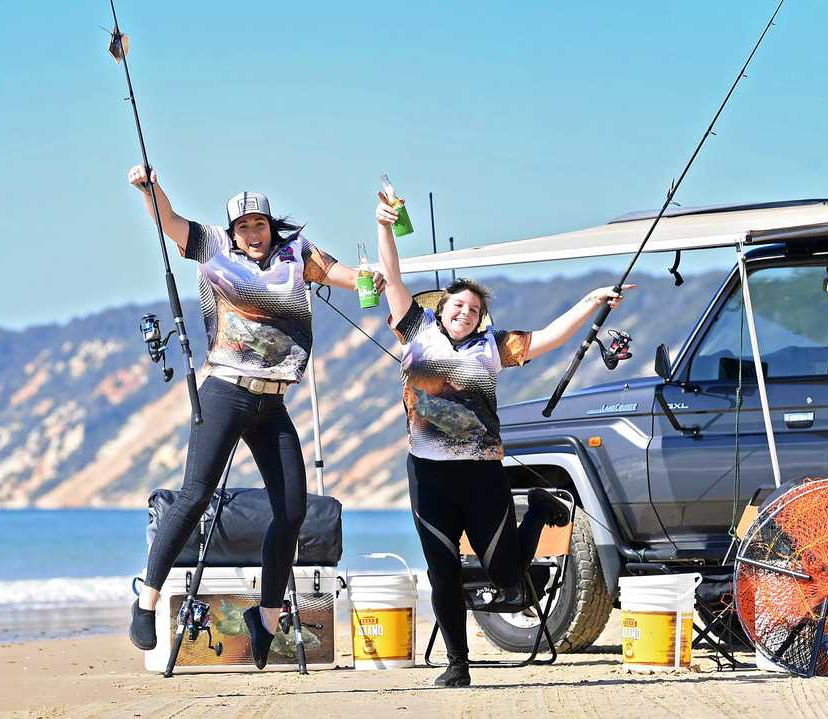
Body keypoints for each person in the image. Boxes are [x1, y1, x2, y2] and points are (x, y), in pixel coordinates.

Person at [126, 165, 384, 668]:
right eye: (243, 227)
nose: (252, 234)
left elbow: (345, 277)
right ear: (233, 231)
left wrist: (371, 275)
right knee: (195, 494)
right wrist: (148, 188)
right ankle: (147, 599)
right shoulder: (212, 247)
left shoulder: (297, 255)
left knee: (292, 510)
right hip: (224, 389)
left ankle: (265, 617)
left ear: (271, 225)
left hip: (273, 401)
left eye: (259, 225)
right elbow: (169, 220)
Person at [373, 195, 633, 687]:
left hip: (480, 474)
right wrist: (383, 227)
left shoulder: (492, 348)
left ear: (480, 318)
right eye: (457, 306)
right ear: (441, 308)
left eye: (473, 310)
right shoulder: (415, 331)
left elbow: (551, 336)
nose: (464, 314)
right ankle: (458, 664)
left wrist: (592, 301)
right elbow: (392, 276)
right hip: (427, 474)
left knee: (508, 576)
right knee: (442, 571)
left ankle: (536, 509)